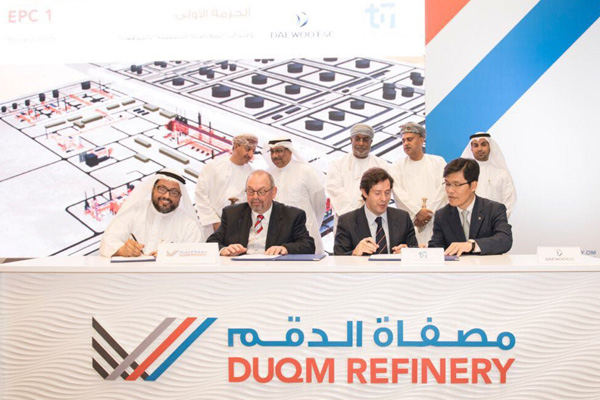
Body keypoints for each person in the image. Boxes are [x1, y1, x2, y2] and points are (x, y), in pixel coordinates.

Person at [207, 170, 315, 256]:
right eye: (250, 191)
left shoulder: (292, 216)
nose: (255, 197)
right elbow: (211, 243)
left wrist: (285, 249)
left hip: (273, 272)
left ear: (273, 192)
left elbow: (308, 245)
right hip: (240, 271)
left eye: (261, 191)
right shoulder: (232, 214)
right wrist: (224, 250)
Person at [100, 169, 204, 257]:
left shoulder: (189, 225)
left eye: (174, 192)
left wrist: (172, 256)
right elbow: (108, 241)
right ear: (153, 189)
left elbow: (196, 255)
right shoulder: (134, 211)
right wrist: (122, 250)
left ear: (180, 196)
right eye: (162, 189)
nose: (167, 196)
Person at [428, 158, 513, 256]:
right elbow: (437, 247)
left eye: (457, 185)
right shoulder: (442, 215)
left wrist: (472, 245)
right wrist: (424, 251)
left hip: (486, 265)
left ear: (473, 186)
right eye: (447, 184)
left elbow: (505, 240)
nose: (450, 190)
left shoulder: (494, 209)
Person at [334, 167, 418, 255]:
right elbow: (338, 257)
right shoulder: (347, 222)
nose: (384, 199)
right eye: (377, 193)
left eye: (387, 193)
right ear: (364, 192)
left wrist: (409, 253)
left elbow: (415, 252)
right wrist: (354, 253)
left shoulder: (403, 218)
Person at [265, 138, 327, 254]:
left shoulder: (305, 171)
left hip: (305, 232)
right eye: (272, 152)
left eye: (279, 151)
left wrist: (313, 223)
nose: (275, 156)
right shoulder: (268, 174)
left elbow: (319, 203)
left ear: (290, 151)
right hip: (277, 235)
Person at [390, 122, 447, 246]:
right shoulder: (397, 166)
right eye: (403, 141)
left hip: (436, 222)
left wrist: (428, 214)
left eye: (409, 139)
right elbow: (398, 194)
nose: (406, 143)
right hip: (412, 222)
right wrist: (417, 212)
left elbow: (444, 190)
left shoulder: (438, 162)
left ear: (422, 139)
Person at [194, 134, 258, 238]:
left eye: (253, 151)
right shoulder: (213, 166)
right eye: (247, 149)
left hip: (239, 229)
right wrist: (215, 222)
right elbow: (201, 195)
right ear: (236, 146)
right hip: (211, 227)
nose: (250, 155)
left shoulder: (253, 174)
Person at [326, 124, 390, 217]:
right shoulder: (337, 164)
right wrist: (352, 217)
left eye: (365, 140)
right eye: (357, 139)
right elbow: (334, 191)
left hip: (372, 219)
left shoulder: (382, 165)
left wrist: (368, 215)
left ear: (371, 142)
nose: (361, 143)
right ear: (351, 140)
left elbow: (384, 193)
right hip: (344, 219)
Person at [460, 132, 517, 217]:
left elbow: (509, 201)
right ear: (471, 148)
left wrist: (498, 220)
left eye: (483, 144)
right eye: (476, 145)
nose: (480, 149)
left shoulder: (501, 173)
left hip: (495, 221)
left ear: (490, 146)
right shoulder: (463, 173)